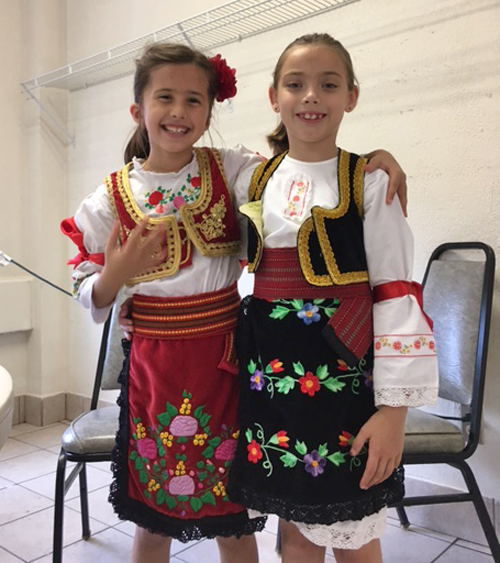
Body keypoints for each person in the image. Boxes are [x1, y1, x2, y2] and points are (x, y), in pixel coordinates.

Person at [62, 41, 410, 563]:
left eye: (194, 101)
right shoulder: (110, 197)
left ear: (209, 112)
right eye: (164, 98)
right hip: (154, 368)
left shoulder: (231, 169)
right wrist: (114, 278)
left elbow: (301, 172)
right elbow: (84, 284)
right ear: (138, 109)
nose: (178, 112)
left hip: (231, 364)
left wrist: (367, 164)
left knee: (233, 508)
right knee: (152, 508)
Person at [224, 33, 439, 563]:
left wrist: (394, 413)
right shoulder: (252, 177)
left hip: (342, 375)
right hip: (269, 380)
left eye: (328, 84)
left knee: (354, 527)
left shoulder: (369, 183)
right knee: (293, 529)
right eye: (295, 85)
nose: (311, 96)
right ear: (275, 97)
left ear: (352, 97)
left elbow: (394, 296)